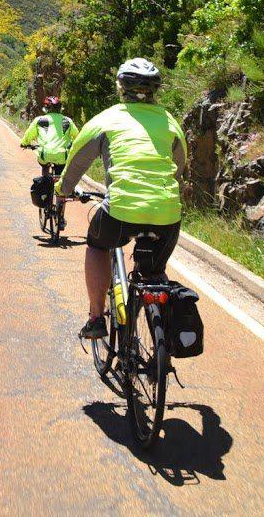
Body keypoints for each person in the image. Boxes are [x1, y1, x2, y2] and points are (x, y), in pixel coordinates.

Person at [55, 59, 186, 339]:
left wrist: (63, 191)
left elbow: (78, 160)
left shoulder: (107, 118)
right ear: (156, 91)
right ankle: (155, 326)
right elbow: (179, 164)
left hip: (120, 212)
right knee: (154, 273)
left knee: (96, 245)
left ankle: (95, 319)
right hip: (168, 214)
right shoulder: (170, 122)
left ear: (119, 87)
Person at [20, 96, 79, 228]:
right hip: (62, 157)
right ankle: (60, 216)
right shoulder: (67, 121)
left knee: (45, 172)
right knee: (60, 184)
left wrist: (24, 143)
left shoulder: (39, 120)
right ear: (60, 108)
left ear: (46, 108)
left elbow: (28, 136)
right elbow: (78, 137)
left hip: (45, 156)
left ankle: (45, 192)